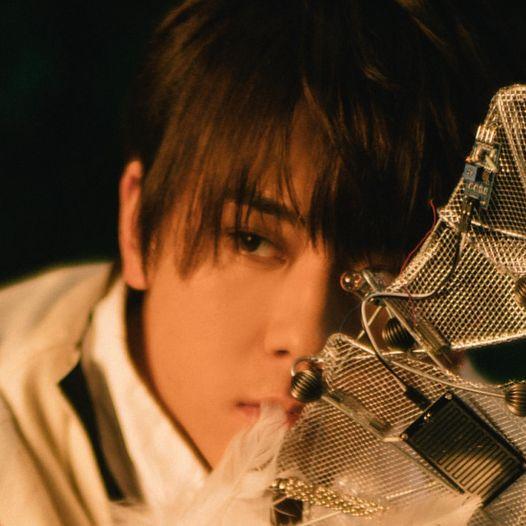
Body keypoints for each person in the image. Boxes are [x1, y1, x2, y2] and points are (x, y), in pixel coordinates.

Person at [1, 1, 525, 524]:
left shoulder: (479, 453)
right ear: (138, 227)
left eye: (392, 273)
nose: (310, 345)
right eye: (250, 241)